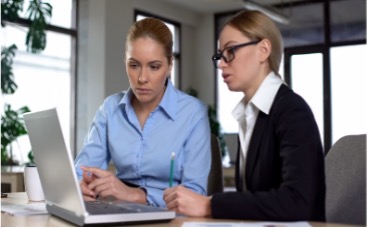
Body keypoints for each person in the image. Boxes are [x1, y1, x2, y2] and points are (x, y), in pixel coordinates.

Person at [163, 10, 325, 221]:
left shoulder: (292, 111)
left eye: (230, 50)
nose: (221, 63)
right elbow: (253, 197)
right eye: (220, 55)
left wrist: (210, 205)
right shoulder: (250, 114)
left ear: (263, 50)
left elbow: (297, 202)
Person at [74, 17, 211, 207]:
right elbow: (84, 170)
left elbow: (195, 194)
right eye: (134, 65)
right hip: (118, 212)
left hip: (172, 220)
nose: (142, 78)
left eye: (154, 67)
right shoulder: (110, 109)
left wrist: (133, 194)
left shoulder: (193, 113)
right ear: (125, 62)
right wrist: (82, 185)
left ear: (170, 64)